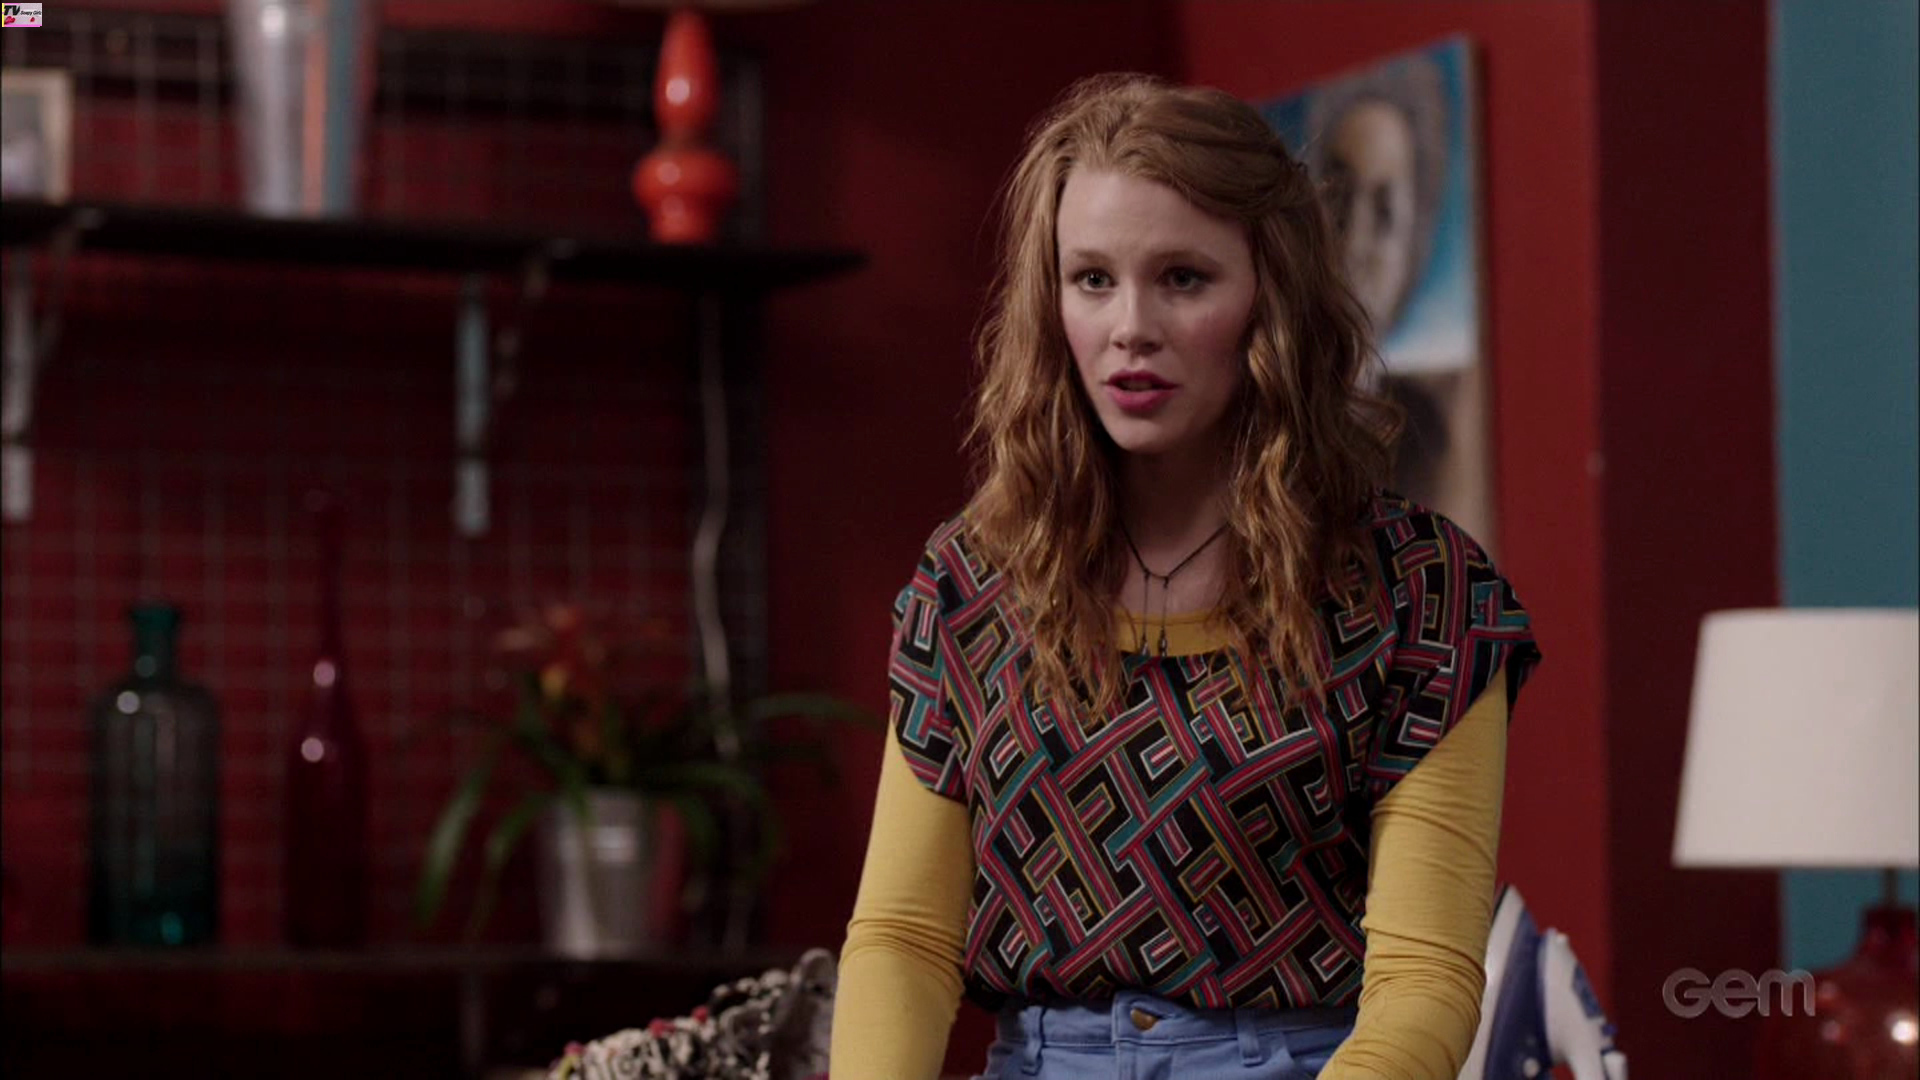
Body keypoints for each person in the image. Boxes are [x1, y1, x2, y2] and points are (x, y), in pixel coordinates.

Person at [830, 73, 1539, 1080]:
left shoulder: (1420, 592)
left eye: (1183, 278)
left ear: (1269, 297)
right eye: (1092, 279)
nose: (1130, 326)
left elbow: (1424, 979)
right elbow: (903, 936)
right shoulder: (972, 583)